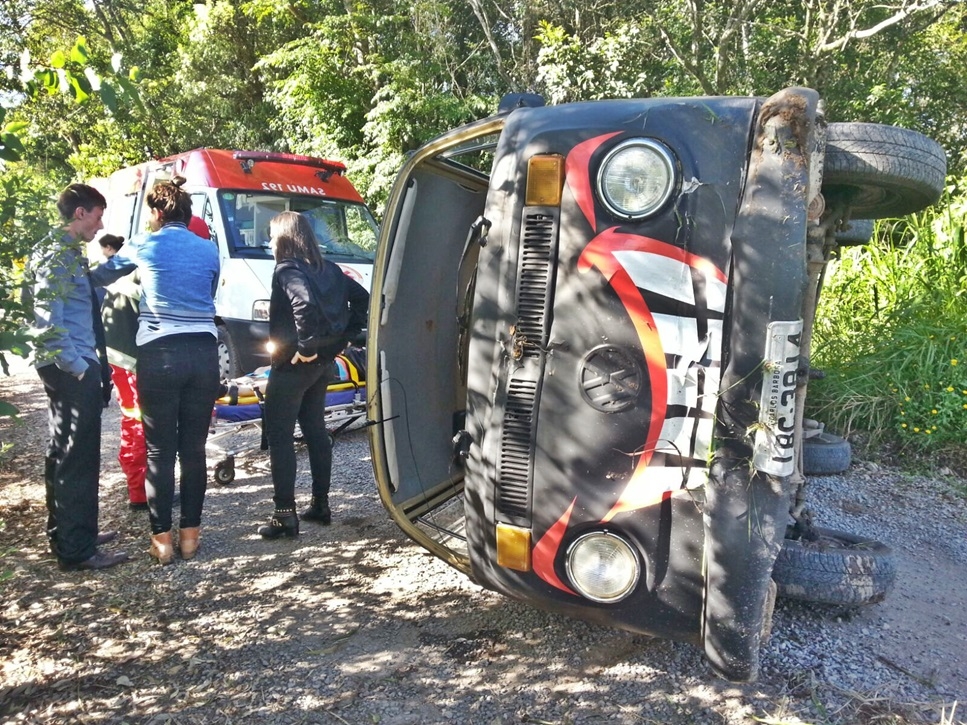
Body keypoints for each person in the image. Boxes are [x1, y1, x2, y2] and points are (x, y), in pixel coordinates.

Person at [92, 182, 220, 564]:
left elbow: (102, 276)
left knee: (161, 452)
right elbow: (209, 291)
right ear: (187, 212)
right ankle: (190, 539)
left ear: (158, 212)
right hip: (203, 353)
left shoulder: (144, 243)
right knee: (193, 450)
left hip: (159, 354)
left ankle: (162, 542)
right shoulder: (209, 248)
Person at [28, 184, 128, 570]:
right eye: (99, 216)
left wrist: (127, 260)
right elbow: (47, 319)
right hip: (69, 366)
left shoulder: (66, 251)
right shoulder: (56, 254)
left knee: (63, 450)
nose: (101, 225)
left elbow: (82, 290)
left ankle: (70, 532)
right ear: (81, 213)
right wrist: (81, 368)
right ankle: (77, 550)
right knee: (78, 456)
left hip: (66, 364)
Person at [257, 211, 368, 539]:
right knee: (315, 430)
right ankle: (320, 505)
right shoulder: (329, 268)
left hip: (294, 364)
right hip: (323, 363)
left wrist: (305, 345)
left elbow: (302, 305)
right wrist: (344, 337)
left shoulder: (287, 269)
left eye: (273, 235)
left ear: (285, 237)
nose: (270, 241)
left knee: (279, 435)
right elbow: (362, 298)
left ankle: (284, 516)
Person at [98, 235, 148, 510]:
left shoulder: (131, 268)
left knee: (134, 421)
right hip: (130, 361)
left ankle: (140, 488)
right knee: (137, 423)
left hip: (121, 357)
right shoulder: (145, 271)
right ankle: (139, 493)